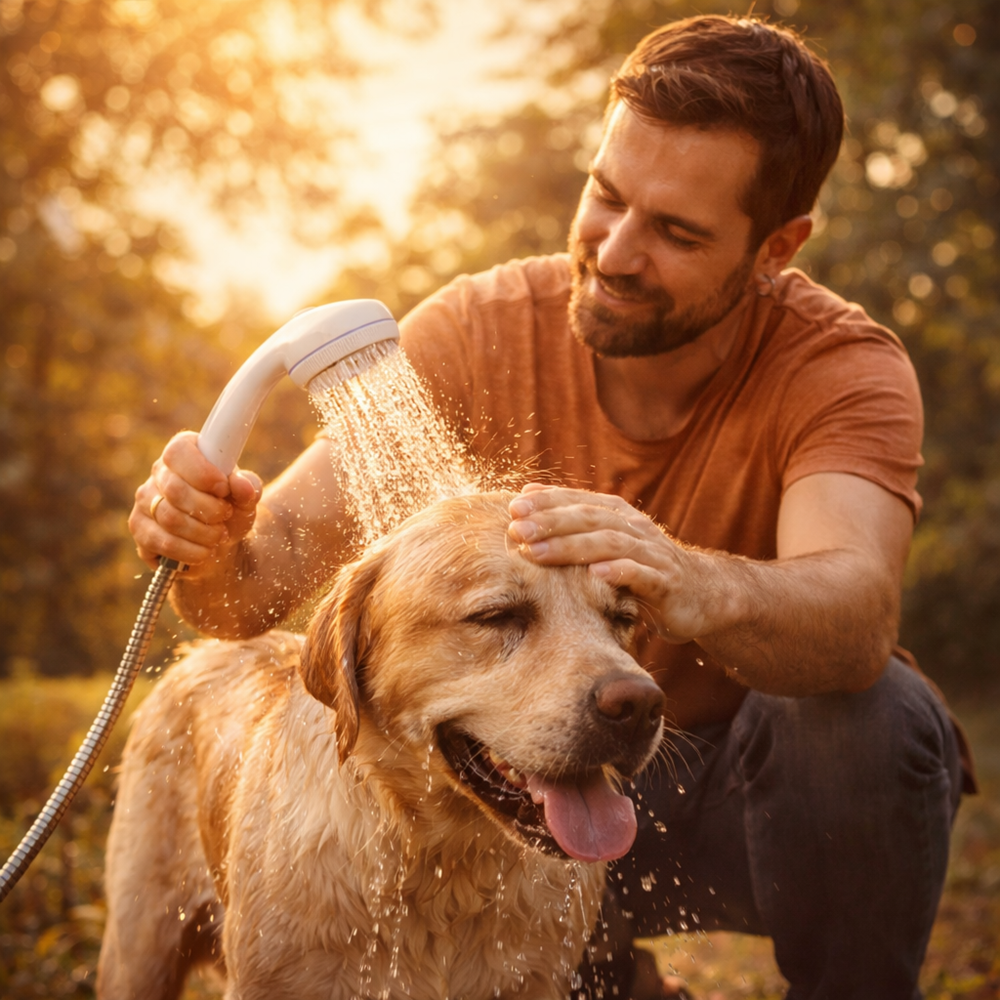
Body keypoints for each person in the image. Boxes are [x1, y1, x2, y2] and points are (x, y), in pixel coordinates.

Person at [129, 15, 973, 1000]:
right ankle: (611, 980)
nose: (613, 251)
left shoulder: (838, 367)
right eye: (605, 197)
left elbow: (855, 615)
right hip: (517, 791)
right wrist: (206, 542)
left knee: (870, 714)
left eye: (675, 231)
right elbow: (248, 593)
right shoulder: (477, 331)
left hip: (731, 798)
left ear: (775, 248)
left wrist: (681, 579)